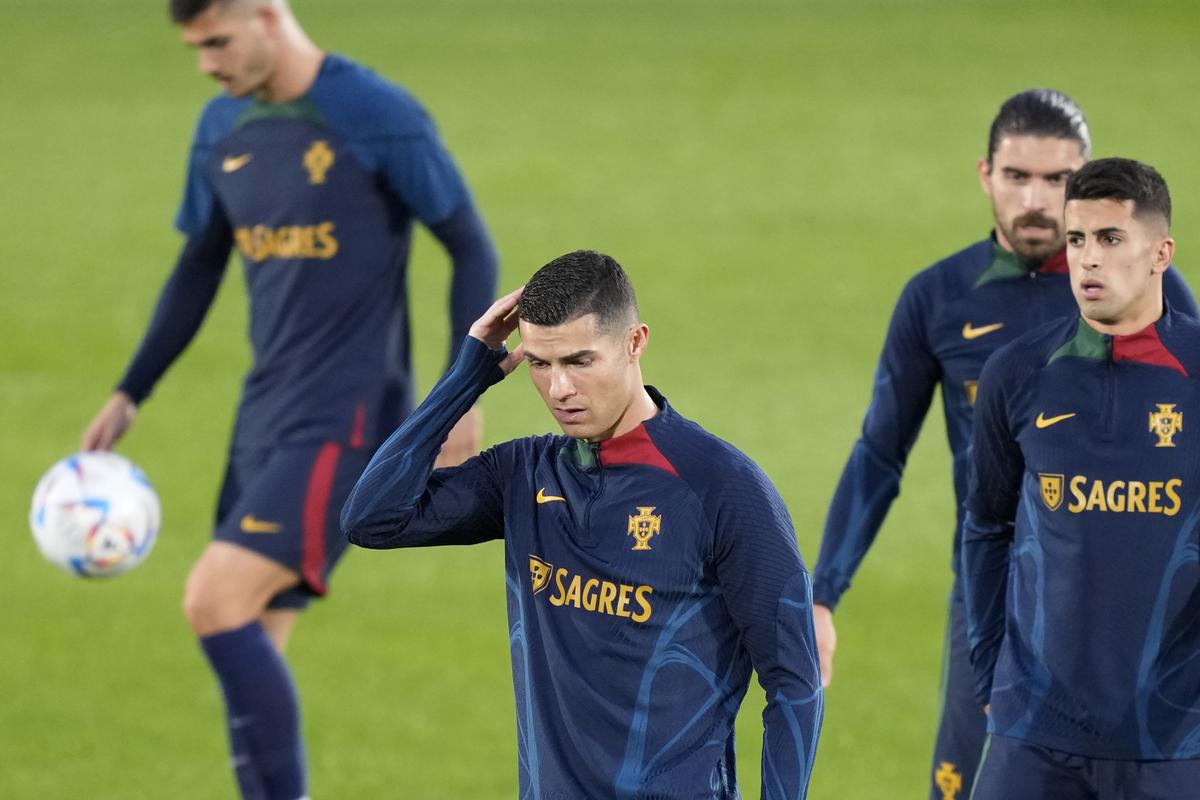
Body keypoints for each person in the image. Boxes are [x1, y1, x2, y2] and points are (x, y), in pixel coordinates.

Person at [79, 1, 498, 797]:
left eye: (217, 42)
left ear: (268, 15)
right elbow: (199, 265)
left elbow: (468, 242)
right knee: (254, 647)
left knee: (213, 600)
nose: (206, 62)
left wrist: (459, 393)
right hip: (263, 421)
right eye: (195, 48)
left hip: (347, 424)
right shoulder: (221, 128)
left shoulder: (377, 115)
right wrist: (132, 391)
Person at [810, 89, 1197, 799]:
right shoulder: (940, 301)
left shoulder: (1156, 301)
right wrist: (824, 593)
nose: (1038, 201)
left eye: (1059, 181)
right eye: (1019, 177)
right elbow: (880, 452)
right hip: (999, 597)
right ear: (986, 174)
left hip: (1134, 605)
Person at [341, 250, 823, 798]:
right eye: (541, 365)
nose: (559, 389)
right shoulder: (522, 474)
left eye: (579, 361)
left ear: (635, 342)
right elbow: (372, 519)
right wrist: (465, 378)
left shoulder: (723, 487)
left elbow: (794, 682)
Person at [962, 157, 1200, 798]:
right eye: (1077, 240)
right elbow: (986, 526)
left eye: (1110, 239)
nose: (1088, 259)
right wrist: (989, 677)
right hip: (1034, 739)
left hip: (1174, 745)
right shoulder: (1017, 373)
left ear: (1160, 254)